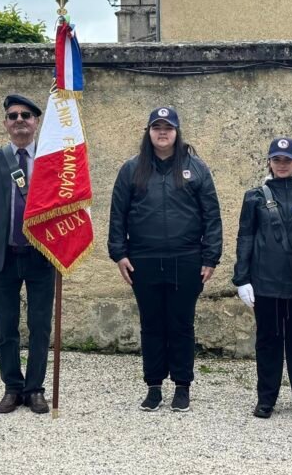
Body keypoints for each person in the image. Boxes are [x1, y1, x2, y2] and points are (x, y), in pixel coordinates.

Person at [108, 107, 222, 412]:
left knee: (181, 324)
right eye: (156, 127)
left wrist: (211, 257)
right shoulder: (131, 169)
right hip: (143, 259)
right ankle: (154, 386)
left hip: (186, 259)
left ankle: (182, 386)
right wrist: (119, 253)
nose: (162, 132)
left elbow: (212, 216)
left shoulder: (196, 168)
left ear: (177, 131)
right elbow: (117, 214)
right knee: (152, 324)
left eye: (168, 127)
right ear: (148, 132)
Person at [0, 94, 55, 414]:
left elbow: (65, 207)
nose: (20, 120)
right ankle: (12, 388)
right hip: (3, 255)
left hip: (41, 256)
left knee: (40, 326)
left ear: (36, 122)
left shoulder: (51, 160)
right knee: (6, 327)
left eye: (26, 115)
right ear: (5, 123)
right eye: (13, 115)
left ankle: (35, 390)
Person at [232, 137, 292, 421]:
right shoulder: (255, 196)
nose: (282, 164)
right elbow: (245, 237)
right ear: (269, 162)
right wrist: (241, 278)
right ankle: (266, 398)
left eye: (287, 159)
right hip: (265, 282)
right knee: (268, 340)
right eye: (277, 159)